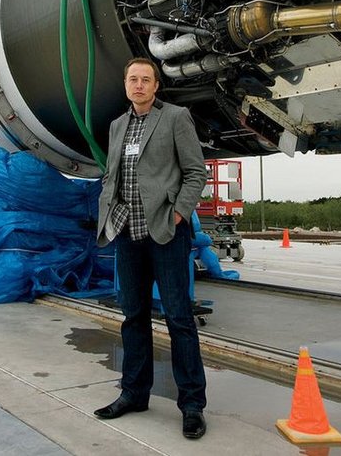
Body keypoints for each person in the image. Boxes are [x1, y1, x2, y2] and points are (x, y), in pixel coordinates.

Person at [93, 57, 209, 439]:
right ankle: (134, 393)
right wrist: (106, 213)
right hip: (127, 234)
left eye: (146, 79)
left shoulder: (176, 118)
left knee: (179, 319)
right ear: (126, 85)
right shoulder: (117, 126)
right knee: (133, 317)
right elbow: (112, 174)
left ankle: (192, 405)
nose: (139, 85)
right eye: (133, 79)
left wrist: (179, 213)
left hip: (165, 232)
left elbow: (196, 171)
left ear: (156, 86)